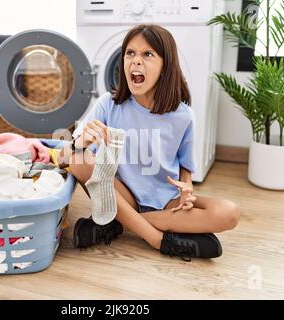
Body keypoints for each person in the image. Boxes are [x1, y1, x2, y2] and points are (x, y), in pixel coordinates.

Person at [58, 24, 240, 261]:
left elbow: (186, 168)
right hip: (122, 196)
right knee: (79, 160)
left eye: (147, 54)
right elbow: (64, 159)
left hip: (166, 203)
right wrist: (79, 143)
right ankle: (159, 240)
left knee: (229, 213)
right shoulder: (108, 105)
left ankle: (117, 224)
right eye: (130, 53)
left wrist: (187, 189)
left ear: (166, 66)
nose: (135, 61)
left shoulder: (183, 116)